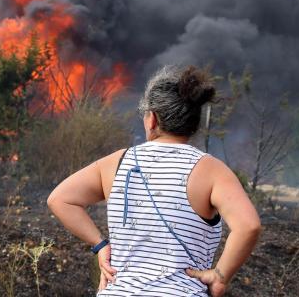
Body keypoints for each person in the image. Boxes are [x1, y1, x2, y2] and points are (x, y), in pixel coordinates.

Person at [47, 65, 261, 296]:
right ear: (193, 123)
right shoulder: (211, 170)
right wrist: (220, 277)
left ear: (153, 119)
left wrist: (101, 245)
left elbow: (60, 199)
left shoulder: (116, 163)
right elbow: (248, 226)